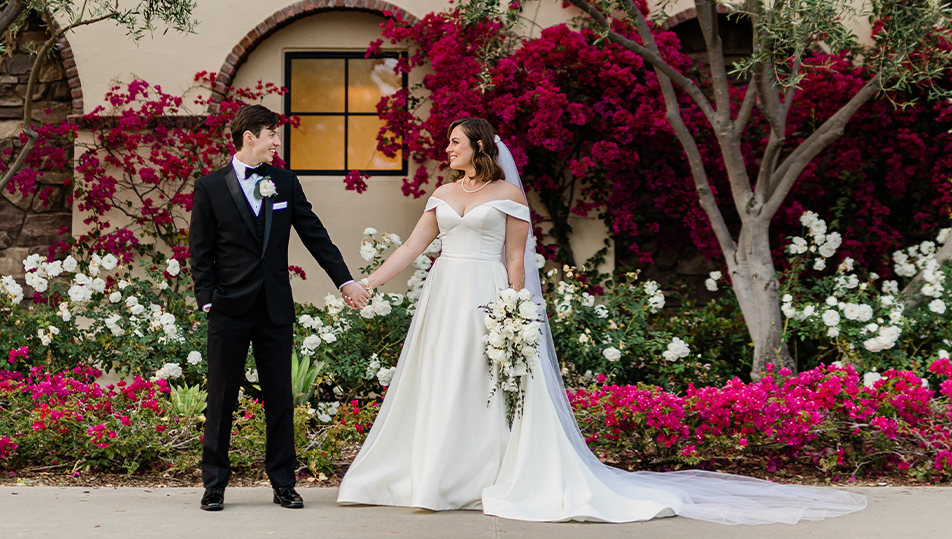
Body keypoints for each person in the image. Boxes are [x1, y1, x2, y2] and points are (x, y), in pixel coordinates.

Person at [338, 117, 867, 525]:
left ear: (480, 146)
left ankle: (482, 474)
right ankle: (429, 476)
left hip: (487, 295)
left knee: (486, 385)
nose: (447, 149)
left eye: (456, 141)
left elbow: (516, 260)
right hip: (444, 295)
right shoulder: (442, 195)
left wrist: (517, 311)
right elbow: (413, 246)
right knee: (439, 381)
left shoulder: (509, 197)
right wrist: (367, 282)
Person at [189, 105, 371, 512]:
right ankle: (214, 483)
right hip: (228, 309)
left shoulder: (285, 183)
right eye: (273, 134)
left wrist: (345, 280)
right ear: (250, 136)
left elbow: (315, 235)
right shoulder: (210, 187)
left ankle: (284, 482)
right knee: (221, 398)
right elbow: (199, 251)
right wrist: (207, 300)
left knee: (280, 397)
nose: (277, 142)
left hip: (274, 308)